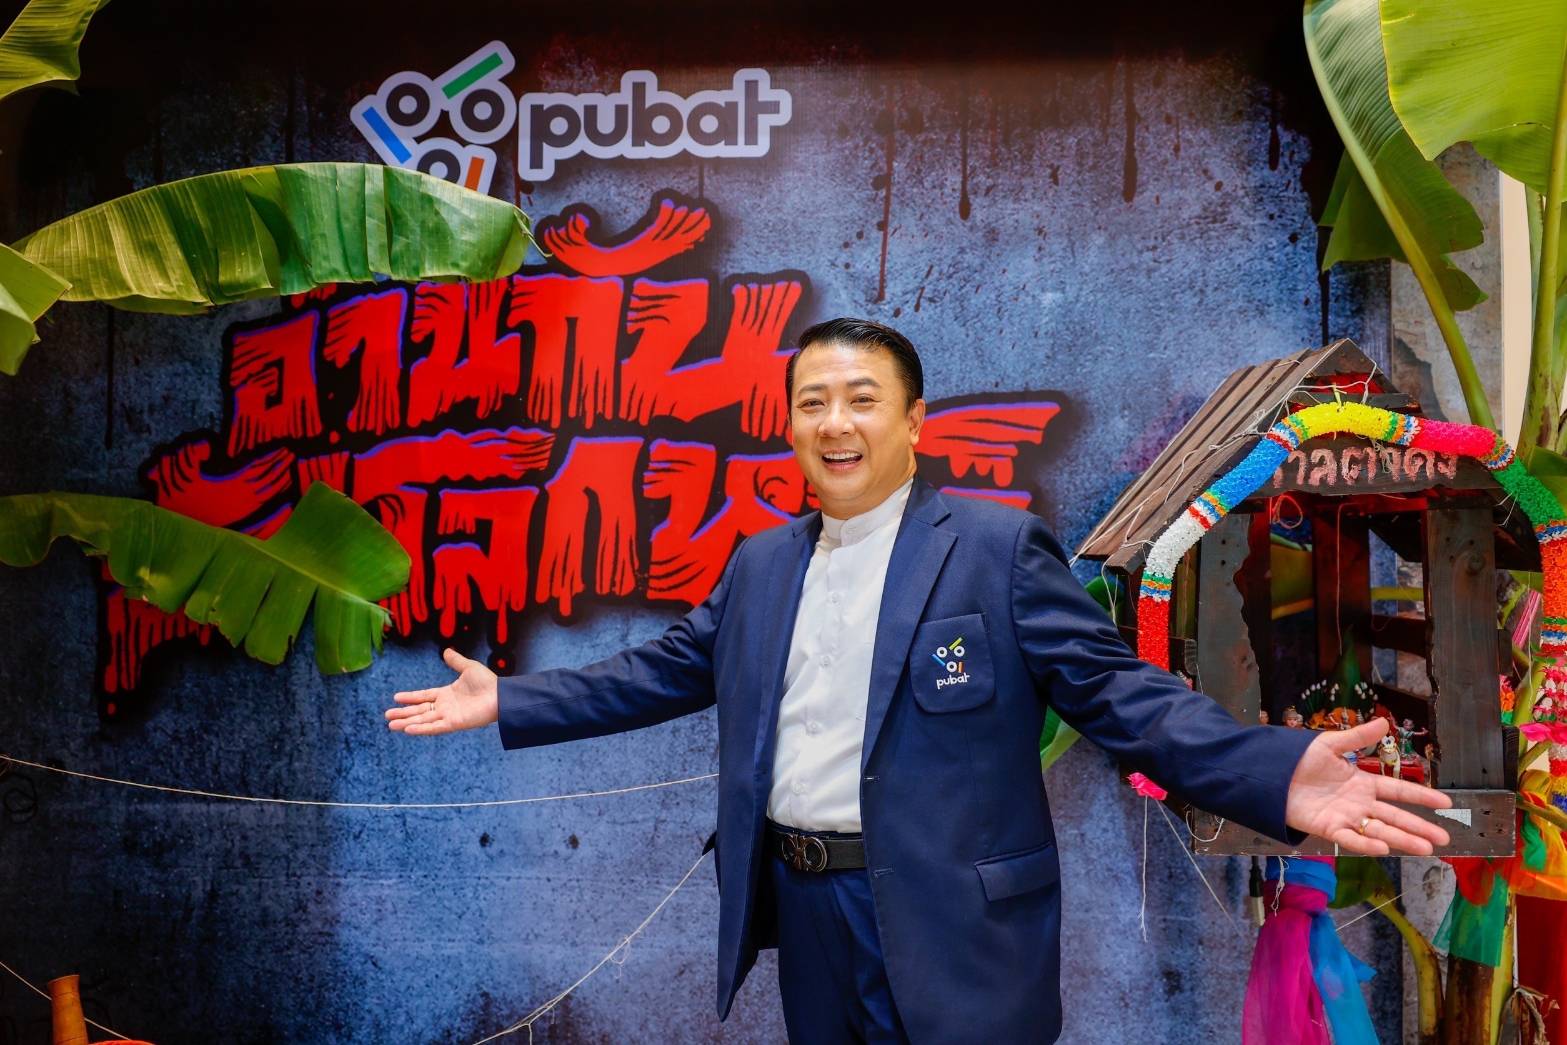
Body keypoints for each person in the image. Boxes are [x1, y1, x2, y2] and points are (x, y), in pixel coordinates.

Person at [386, 318, 1452, 1043]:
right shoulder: (761, 565)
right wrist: (508, 697)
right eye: (812, 403)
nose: (834, 423)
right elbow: (663, 669)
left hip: (956, 922)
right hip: (808, 907)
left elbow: (1118, 695)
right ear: (790, 427)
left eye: (861, 399)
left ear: (911, 421)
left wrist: (1274, 771)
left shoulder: (995, 551)